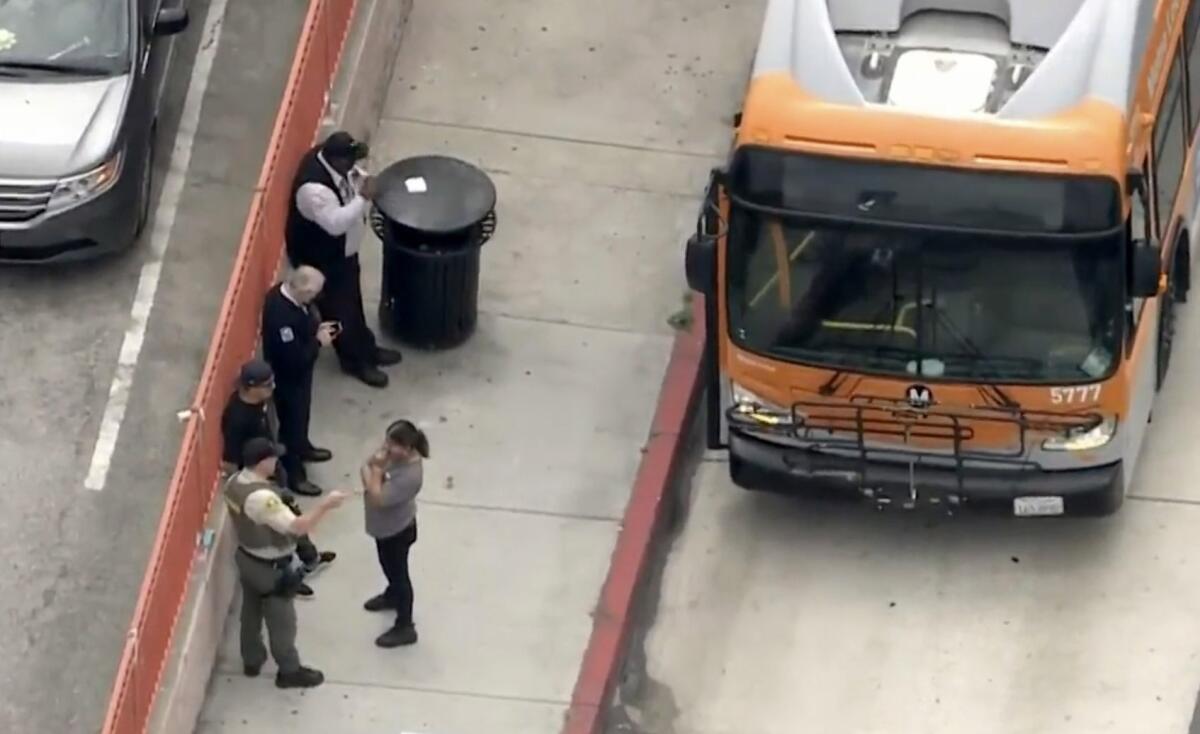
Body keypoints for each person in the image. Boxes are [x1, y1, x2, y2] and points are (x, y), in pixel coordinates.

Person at [224, 437, 349, 688]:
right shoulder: (262, 499)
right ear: (263, 463)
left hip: (247, 557)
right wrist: (326, 505)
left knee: (251, 611)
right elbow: (296, 526)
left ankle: (252, 658)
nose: (276, 462)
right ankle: (289, 670)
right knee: (282, 621)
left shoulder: (234, 482)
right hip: (270, 566)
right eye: (272, 458)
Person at [285, 130, 402, 389]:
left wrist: (362, 179)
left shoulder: (334, 162)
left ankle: (367, 348)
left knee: (353, 303)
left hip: (343, 255)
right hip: (322, 260)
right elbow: (335, 224)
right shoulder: (314, 191)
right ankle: (353, 361)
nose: (353, 166)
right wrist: (363, 197)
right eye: (350, 161)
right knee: (339, 313)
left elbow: (351, 177)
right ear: (336, 160)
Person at [220, 359, 336, 597]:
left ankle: (310, 557)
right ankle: (290, 582)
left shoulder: (257, 403)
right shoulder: (237, 418)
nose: (272, 389)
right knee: (279, 533)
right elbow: (231, 458)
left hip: (270, 473)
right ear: (251, 387)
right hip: (260, 483)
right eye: (267, 385)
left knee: (291, 515)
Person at [359, 419, 427, 648]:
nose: (386, 449)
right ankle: (391, 595)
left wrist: (376, 472)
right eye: (386, 442)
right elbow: (364, 468)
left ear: (408, 448)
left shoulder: (410, 476)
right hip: (383, 527)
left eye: (393, 445)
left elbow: (378, 498)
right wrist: (373, 479)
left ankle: (405, 625)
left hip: (396, 531)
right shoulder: (392, 455)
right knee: (386, 565)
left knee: (399, 574)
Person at [262, 266, 336, 473]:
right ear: (303, 290)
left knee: (302, 416)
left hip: (301, 376)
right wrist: (318, 342)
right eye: (314, 292)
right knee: (291, 424)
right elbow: (293, 358)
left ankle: (303, 447)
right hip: (288, 379)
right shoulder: (280, 316)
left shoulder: (290, 299)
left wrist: (315, 331)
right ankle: (293, 471)